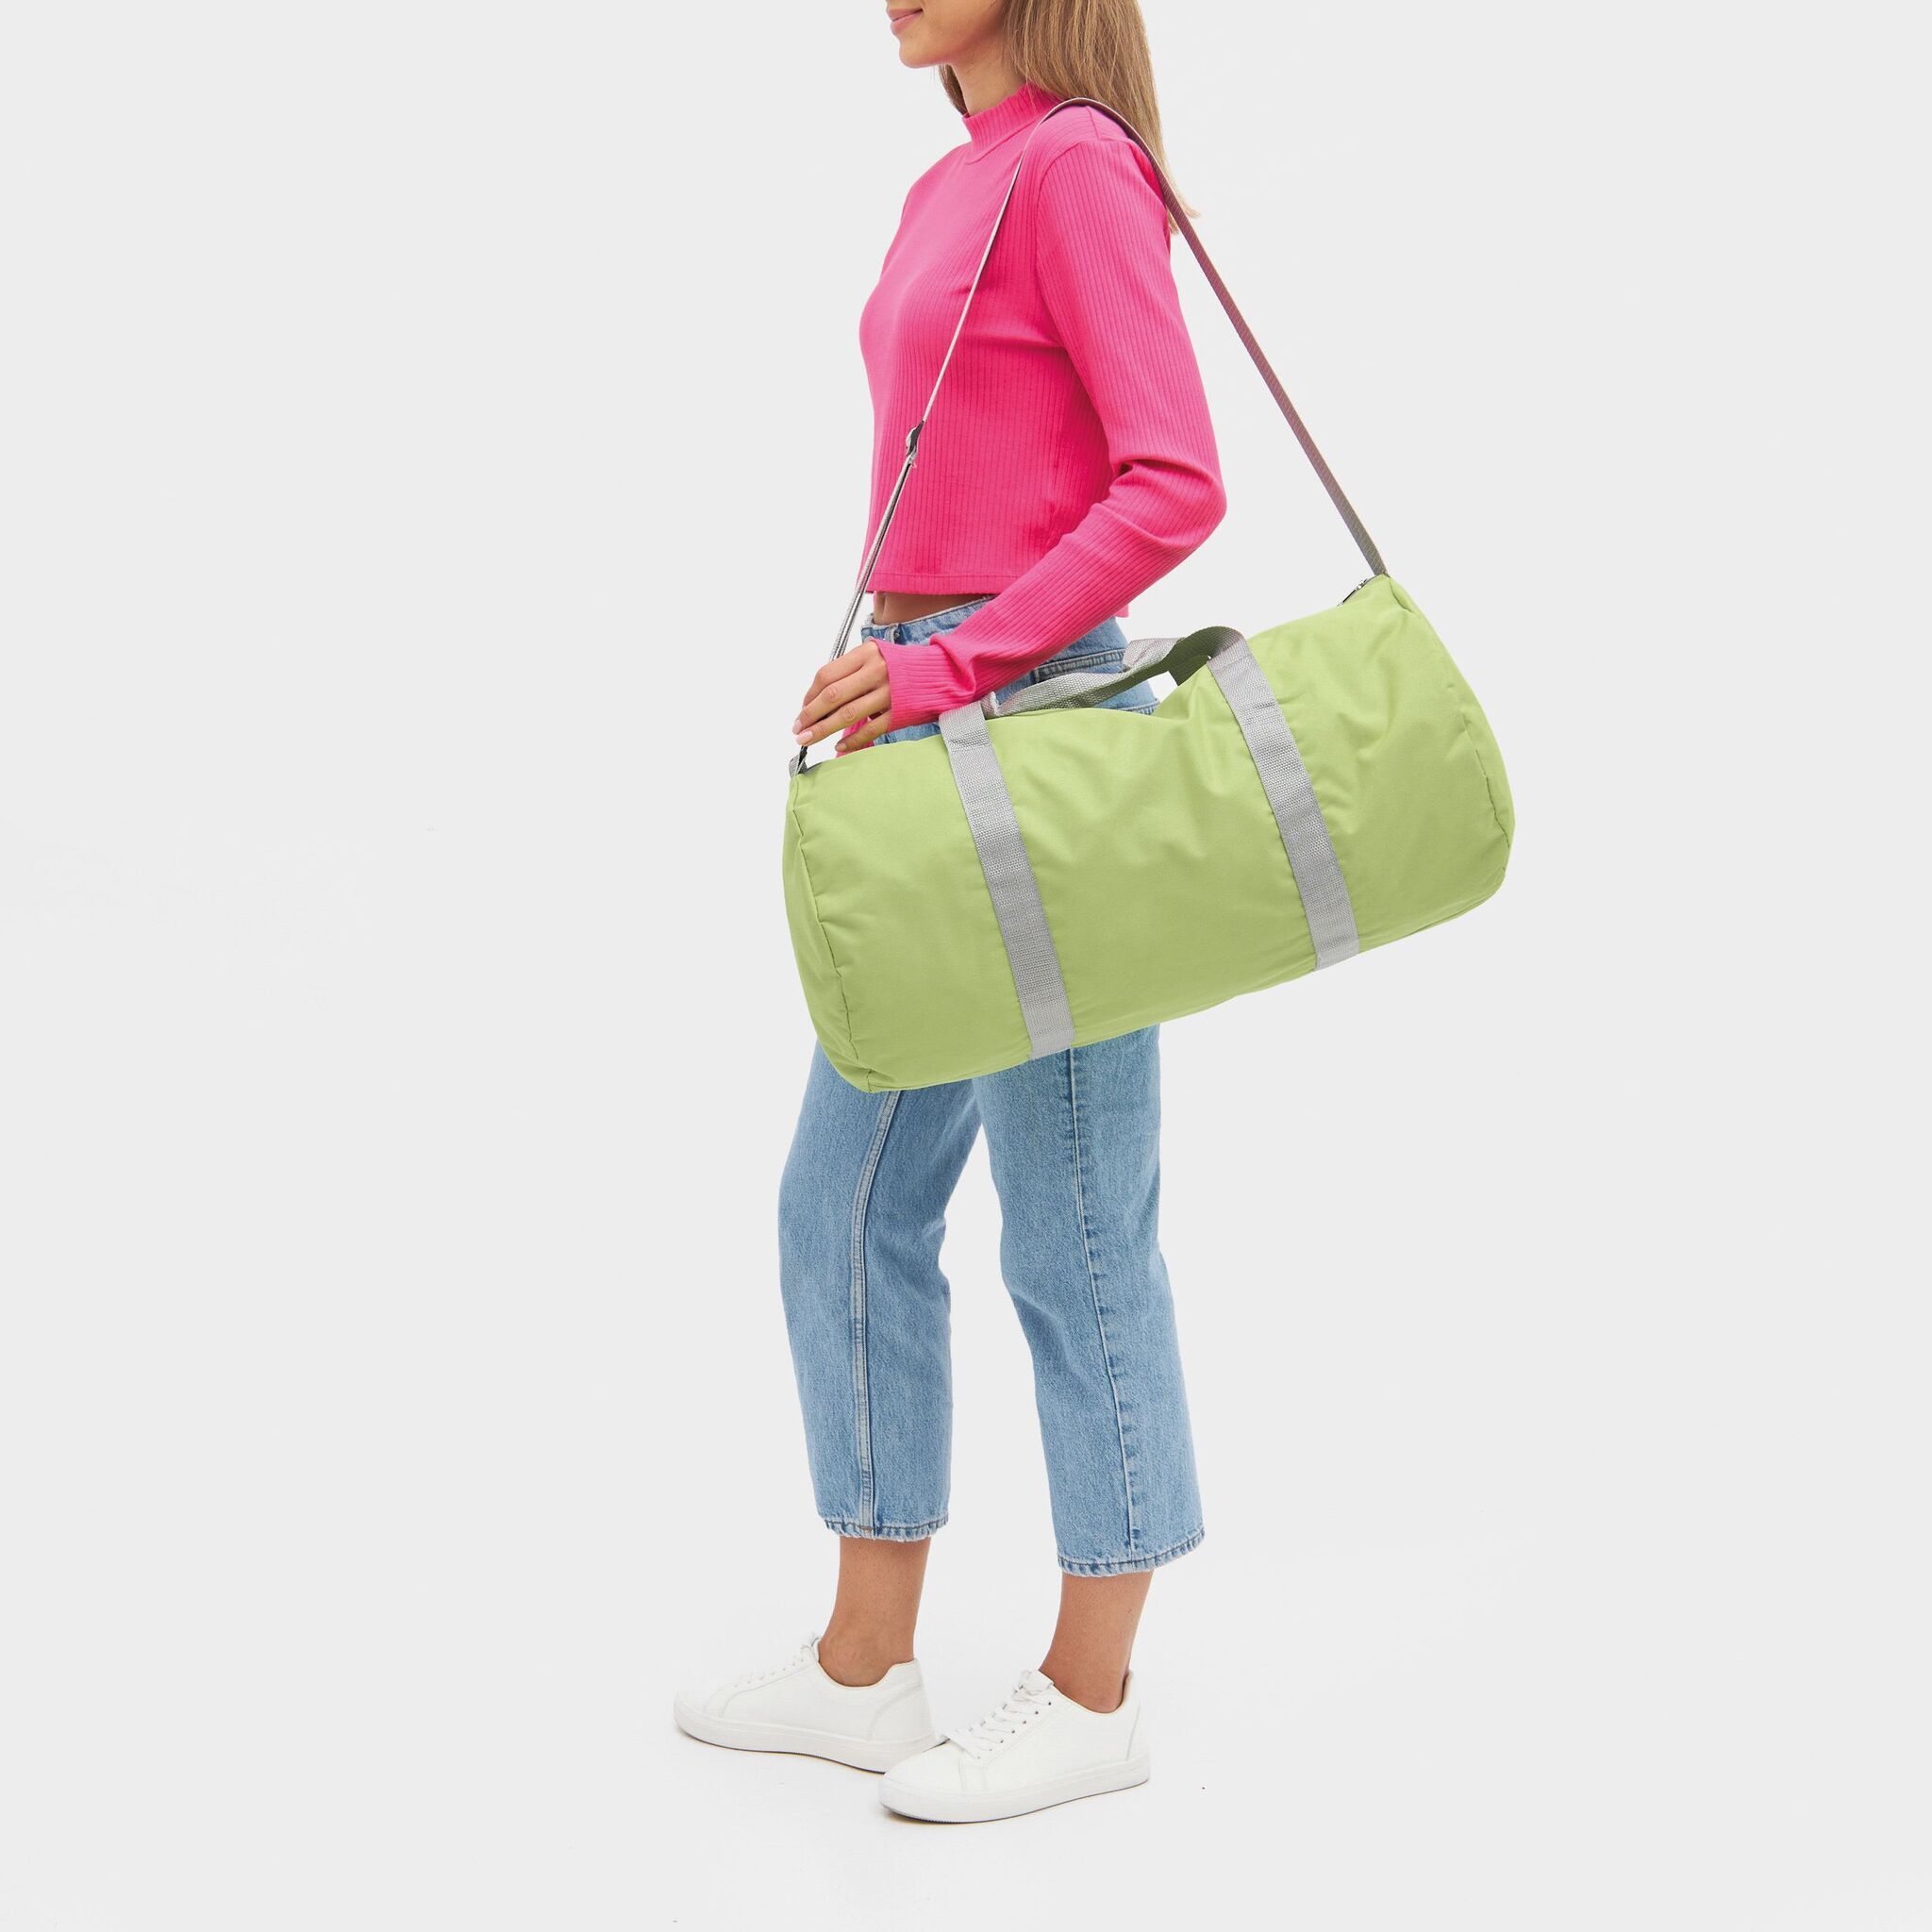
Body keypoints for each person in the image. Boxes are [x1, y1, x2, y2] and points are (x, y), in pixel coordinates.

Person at [675, 0, 1225, 1824]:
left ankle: (1094, 1692)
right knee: (841, 1201)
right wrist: (901, 669)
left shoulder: (1075, 166)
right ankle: (867, 1670)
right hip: (925, 720)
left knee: (1073, 1226)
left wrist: (956, 663)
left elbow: (1175, 481)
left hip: (1039, 728)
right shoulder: (954, 178)